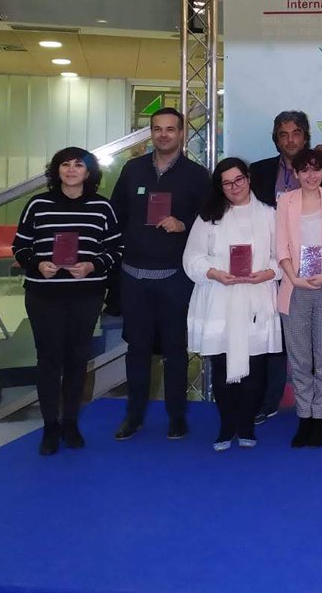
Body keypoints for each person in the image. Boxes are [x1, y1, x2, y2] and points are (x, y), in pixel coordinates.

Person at [13, 147, 122, 455]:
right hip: (43, 295)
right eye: (65, 164)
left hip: (85, 295)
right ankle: (50, 426)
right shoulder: (38, 204)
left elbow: (116, 249)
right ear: (56, 170)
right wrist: (37, 264)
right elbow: (20, 246)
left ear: (89, 173)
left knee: (77, 360)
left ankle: (70, 422)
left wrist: (92, 265)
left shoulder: (102, 207)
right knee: (48, 360)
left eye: (78, 165)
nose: (71, 170)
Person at [109, 108, 209, 441]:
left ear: (181, 134)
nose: (163, 135)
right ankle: (133, 416)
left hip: (174, 279)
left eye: (170, 129)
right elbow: (116, 214)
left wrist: (184, 224)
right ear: (151, 133)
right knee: (136, 351)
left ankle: (176, 418)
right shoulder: (132, 169)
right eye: (157, 129)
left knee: (175, 351)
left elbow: (211, 223)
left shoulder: (196, 175)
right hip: (134, 277)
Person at [250, 110, 322, 426]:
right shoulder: (259, 172)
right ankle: (270, 399)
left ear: (305, 137)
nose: (290, 140)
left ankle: (319, 404)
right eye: (283, 134)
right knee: (274, 339)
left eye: (296, 133)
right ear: (276, 139)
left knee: (321, 344)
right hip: (270, 267)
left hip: (319, 273)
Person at [183, 158, 282, 450]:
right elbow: (192, 257)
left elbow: (281, 255)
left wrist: (269, 272)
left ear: (248, 178)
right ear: (220, 187)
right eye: (226, 183)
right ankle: (226, 426)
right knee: (221, 365)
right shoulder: (209, 216)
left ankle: (246, 425)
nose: (234, 187)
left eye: (238, 180)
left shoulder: (269, 215)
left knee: (255, 367)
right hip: (219, 298)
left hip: (255, 297)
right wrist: (213, 272)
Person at [275, 149, 322, 448]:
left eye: (316, 170)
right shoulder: (285, 201)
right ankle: (304, 415)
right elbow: (281, 244)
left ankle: (319, 416)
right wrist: (292, 276)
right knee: (299, 358)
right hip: (295, 286)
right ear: (296, 173)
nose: (311, 175)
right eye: (305, 170)